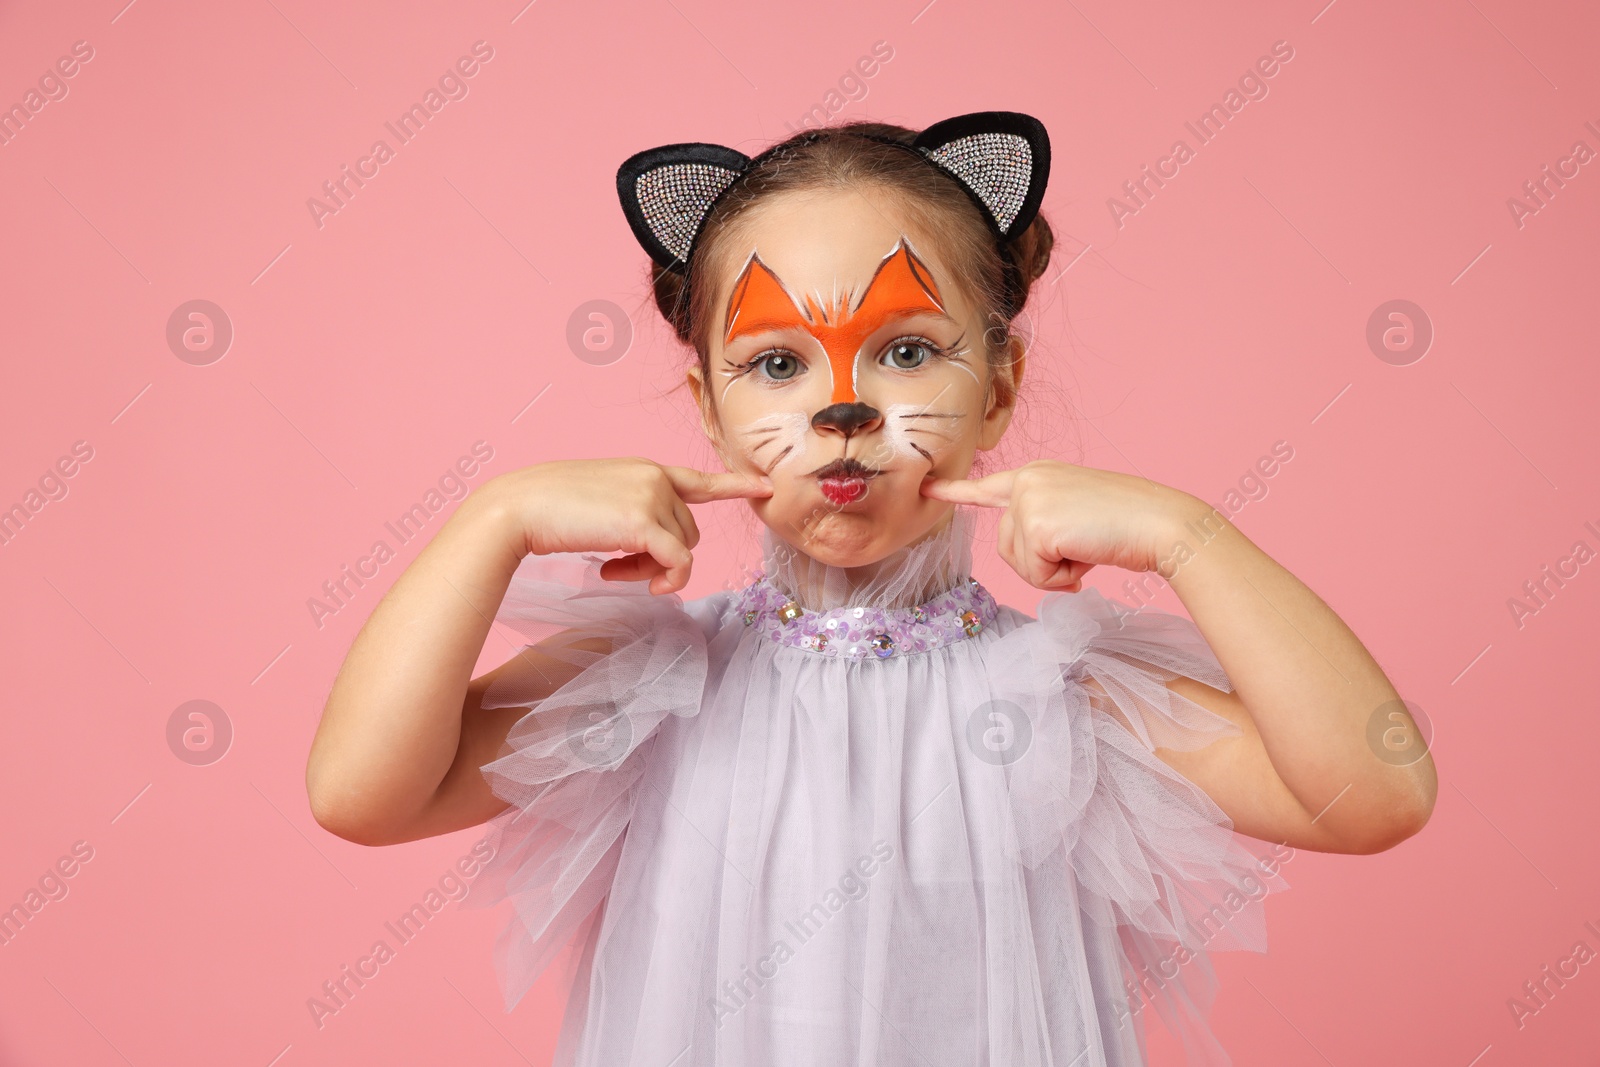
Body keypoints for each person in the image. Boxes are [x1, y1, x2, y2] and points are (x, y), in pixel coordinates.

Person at [305, 112, 1437, 1066]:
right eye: (777, 363)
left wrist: (1188, 535)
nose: (840, 407)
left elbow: (1376, 792)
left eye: (904, 351)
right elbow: (366, 792)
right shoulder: (653, 682)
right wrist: (487, 520)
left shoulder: (1062, 697)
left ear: (998, 386)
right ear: (705, 406)